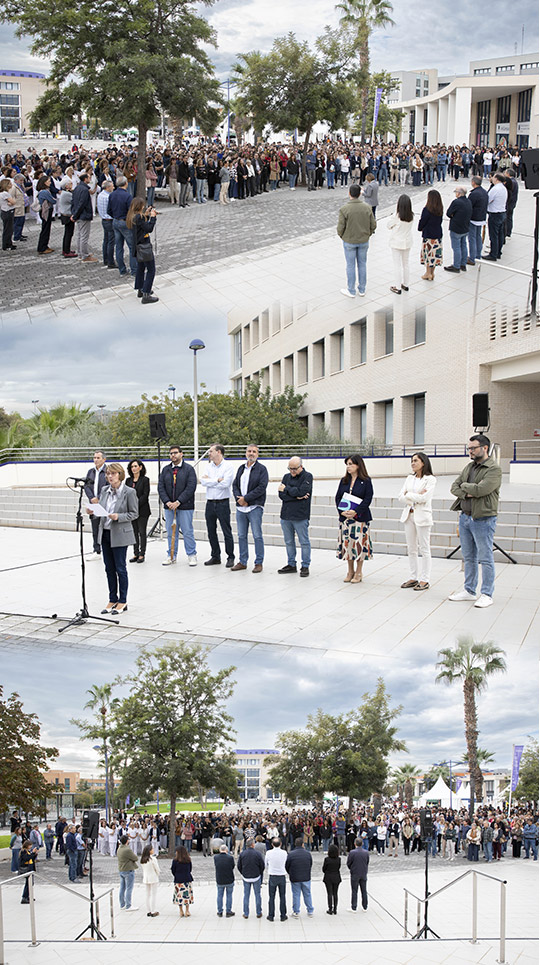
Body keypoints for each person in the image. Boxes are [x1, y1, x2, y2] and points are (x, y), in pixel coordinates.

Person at [449, 434, 502, 608]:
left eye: (473, 448)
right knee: (468, 557)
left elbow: (482, 490)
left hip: (483, 519)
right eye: (469, 448)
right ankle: (469, 590)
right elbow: (454, 487)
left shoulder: (493, 469)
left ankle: (487, 594)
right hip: (465, 517)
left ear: (484, 448)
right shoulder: (469, 467)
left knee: (485, 558)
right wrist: (468, 491)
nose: (470, 451)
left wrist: (465, 487)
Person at [86, 462, 139, 614]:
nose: (110, 476)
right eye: (108, 474)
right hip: (105, 533)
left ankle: (123, 600)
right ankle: (112, 598)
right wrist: (93, 512)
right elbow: (102, 510)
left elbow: (134, 513)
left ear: (120, 475)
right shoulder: (104, 490)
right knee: (109, 568)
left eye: (113, 474)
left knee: (120, 568)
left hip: (120, 533)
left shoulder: (129, 492)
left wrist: (119, 517)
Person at [398, 452, 437, 591]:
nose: (413, 463)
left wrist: (408, 495)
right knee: (412, 548)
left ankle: (425, 579)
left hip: (422, 517)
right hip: (409, 515)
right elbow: (400, 497)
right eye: (412, 461)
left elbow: (425, 498)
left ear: (423, 462)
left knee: (424, 548)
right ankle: (413, 577)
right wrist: (414, 496)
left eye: (416, 461)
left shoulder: (430, 479)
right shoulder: (409, 478)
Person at [335, 454, 373, 584]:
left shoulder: (366, 481)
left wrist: (356, 511)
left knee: (359, 545)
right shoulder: (344, 480)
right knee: (348, 545)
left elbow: (368, 498)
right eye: (347, 464)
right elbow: (338, 497)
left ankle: (359, 571)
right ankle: (350, 571)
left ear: (358, 465)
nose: (348, 466)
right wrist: (342, 511)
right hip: (346, 519)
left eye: (351, 464)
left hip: (359, 519)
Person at [231, 444, 269, 573]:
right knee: (241, 535)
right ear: (246, 453)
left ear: (257, 454)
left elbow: (261, 487)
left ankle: (258, 562)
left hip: (255, 507)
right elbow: (235, 485)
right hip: (241, 508)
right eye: (249, 451)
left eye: (254, 451)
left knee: (257, 535)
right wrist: (239, 499)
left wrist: (246, 499)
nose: (251, 453)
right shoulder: (241, 468)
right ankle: (242, 561)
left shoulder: (262, 469)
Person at [158, 445, 197, 566]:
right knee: (171, 532)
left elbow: (191, 487)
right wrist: (167, 502)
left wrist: (178, 501)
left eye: (175, 453)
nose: (173, 455)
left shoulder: (189, 469)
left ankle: (191, 555)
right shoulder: (166, 470)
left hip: (185, 506)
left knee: (187, 531)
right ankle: (171, 555)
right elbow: (161, 487)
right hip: (169, 507)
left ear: (181, 454)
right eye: (171, 453)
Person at [336, 183, 376, 298]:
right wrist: (368, 234)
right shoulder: (367, 207)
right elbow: (373, 225)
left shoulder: (344, 209)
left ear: (349, 193)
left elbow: (340, 227)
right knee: (362, 264)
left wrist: (343, 236)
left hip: (349, 240)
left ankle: (351, 290)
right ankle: (362, 289)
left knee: (350, 265)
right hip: (363, 239)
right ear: (360, 194)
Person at [200, 443, 235, 567]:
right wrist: (217, 480)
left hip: (222, 502)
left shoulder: (228, 466)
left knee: (226, 531)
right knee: (211, 531)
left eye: (211, 451)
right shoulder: (208, 466)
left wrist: (210, 481)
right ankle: (215, 556)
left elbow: (226, 484)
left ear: (218, 452)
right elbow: (203, 481)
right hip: (210, 502)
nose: (209, 454)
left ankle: (230, 556)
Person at [277, 456, 313, 578]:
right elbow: (281, 495)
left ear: (301, 467)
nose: (292, 471)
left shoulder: (307, 476)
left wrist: (287, 489)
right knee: (289, 541)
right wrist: (296, 497)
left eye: (294, 469)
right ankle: (291, 564)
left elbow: (302, 492)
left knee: (304, 541)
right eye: (290, 468)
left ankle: (305, 565)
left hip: (300, 515)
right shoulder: (286, 477)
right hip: (286, 515)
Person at [126, 196, 158, 304]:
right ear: (140, 206)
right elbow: (148, 228)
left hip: (138, 246)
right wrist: (153, 218)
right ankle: (146, 294)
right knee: (151, 270)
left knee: (141, 268)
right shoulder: (138, 217)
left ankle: (140, 289)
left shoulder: (132, 217)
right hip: (144, 246)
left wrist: (146, 215)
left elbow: (142, 226)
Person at [107, 175, 137, 276]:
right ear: (126, 183)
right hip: (125, 221)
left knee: (119, 246)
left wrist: (115, 216)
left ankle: (122, 270)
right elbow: (131, 211)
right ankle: (134, 270)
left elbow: (108, 210)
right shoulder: (127, 196)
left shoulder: (112, 195)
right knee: (132, 246)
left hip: (116, 220)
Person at [387, 193, 414, 294]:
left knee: (397, 265)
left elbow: (388, 225)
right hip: (407, 241)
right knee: (406, 264)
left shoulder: (397, 216)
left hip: (396, 242)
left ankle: (397, 286)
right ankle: (406, 284)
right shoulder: (411, 216)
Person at [126, 458, 151, 563]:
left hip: (142, 510)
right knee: (134, 532)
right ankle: (136, 553)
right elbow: (126, 494)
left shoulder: (145, 480)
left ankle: (142, 554)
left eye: (135, 466)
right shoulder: (128, 480)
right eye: (132, 466)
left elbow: (145, 495)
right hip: (132, 511)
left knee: (142, 532)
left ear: (140, 467)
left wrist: (135, 505)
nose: (134, 468)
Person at [84, 450, 108, 556]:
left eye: (98, 458)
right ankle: (96, 550)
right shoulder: (91, 472)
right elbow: (86, 486)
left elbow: (108, 486)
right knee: (95, 528)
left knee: (105, 528)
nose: (96, 460)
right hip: (93, 504)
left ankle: (107, 550)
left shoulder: (108, 471)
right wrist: (92, 498)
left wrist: (98, 498)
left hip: (104, 503)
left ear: (104, 459)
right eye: (94, 458)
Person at [444, 186, 472, 273]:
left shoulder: (456, 202)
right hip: (465, 227)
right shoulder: (468, 201)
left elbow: (449, 213)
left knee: (456, 247)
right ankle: (463, 264)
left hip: (456, 227)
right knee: (463, 245)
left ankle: (456, 265)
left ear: (459, 193)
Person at [71, 171, 97, 262]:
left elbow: (73, 202)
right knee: (84, 236)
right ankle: (84, 255)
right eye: (89, 177)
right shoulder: (84, 190)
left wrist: (74, 213)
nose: (90, 179)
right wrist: (75, 215)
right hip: (83, 215)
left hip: (79, 214)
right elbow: (82, 203)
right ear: (85, 179)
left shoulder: (77, 188)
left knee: (79, 235)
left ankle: (80, 253)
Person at [418, 189, 443, 281]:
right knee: (435, 254)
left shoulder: (427, 210)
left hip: (428, 234)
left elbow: (423, 221)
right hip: (437, 234)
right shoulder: (440, 209)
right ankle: (432, 272)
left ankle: (428, 273)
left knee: (428, 254)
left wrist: (420, 228)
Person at [285, 837, 314, 918]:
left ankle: (296, 911)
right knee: (307, 894)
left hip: (295, 877)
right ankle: (310, 910)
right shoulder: (307, 854)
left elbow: (287, 866)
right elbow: (310, 864)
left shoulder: (291, 854)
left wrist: (290, 873)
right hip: (306, 877)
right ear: (302, 844)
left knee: (296, 895)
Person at [482, 173, 507, 261]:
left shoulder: (495, 189)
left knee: (494, 235)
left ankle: (493, 254)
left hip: (495, 214)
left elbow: (488, 200)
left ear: (496, 179)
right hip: (502, 212)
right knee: (500, 234)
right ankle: (498, 252)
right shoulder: (503, 188)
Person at [237, 839, 265, 919]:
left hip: (246, 877)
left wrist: (243, 873)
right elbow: (262, 866)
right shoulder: (258, 854)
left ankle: (246, 913)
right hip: (256, 876)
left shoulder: (242, 854)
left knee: (246, 895)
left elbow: (239, 866)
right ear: (253, 845)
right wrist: (259, 873)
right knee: (257, 895)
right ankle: (258, 912)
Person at [265, 837, 288, 922]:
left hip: (272, 875)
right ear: (280, 844)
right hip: (281, 875)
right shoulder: (284, 853)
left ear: (272, 844)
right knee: (282, 896)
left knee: (271, 897)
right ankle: (283, 915)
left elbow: (265, 864)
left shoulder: (268, 853)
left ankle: (271, 915)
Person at [467, 175, 488, 265]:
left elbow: (469, 205)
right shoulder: (484, 192)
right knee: (478, 236)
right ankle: (477, 255)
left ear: (473, 182)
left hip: (473, 218)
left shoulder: (474, 194)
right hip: (481, 217)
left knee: (472, 238)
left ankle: (472, 258)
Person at [96, 179, 116, 268]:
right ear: (108, 187)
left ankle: (106, 259)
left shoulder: (100, 195)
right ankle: (110, 261)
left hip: (104, 219)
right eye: (112, 186)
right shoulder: (108, 197)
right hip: (109, 220)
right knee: (111, 241)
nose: (113, 188)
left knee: (106, 240)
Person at [346, 837, 369, 912]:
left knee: (354, 890)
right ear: (362, 844)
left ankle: (354, 907)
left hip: (355, 873)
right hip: (363, 873)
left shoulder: (352, 852)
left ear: (355, 844)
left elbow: (349, 863)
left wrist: (352, 869)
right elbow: (367, 862)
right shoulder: (366, 852)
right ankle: (365, 906)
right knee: (364, 890)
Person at [117, 833, 139, 910]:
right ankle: (128, 905)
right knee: (129, 888)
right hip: (128, 870)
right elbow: (135, 858)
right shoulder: (127, 849)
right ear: (127, 841)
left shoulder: (119, 848)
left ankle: (122, 904)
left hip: (121, 870)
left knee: (122, 888)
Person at [214, 843, 236, 918]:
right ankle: (228, 911)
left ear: (220, 850)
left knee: (219, 895)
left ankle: (220, 911)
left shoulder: (216, 857)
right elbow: (233, 866)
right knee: (229, 895)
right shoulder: (230, 858)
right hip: (229, 878)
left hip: (220, 878)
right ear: (226, 850)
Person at [141, 844, 160, 917]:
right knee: (153, 894)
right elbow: (157, 869)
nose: (153, 850)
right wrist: (158, 874)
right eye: (152, 849)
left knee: (147, 894)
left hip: (146, 878)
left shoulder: (143, 860)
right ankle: (153, 910)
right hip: (153, 877)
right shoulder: (153, 859)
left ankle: (148, 910)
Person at [322, 843, 341, 915]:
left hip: (328, 877)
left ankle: (330, 908)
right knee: (335, 893)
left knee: (329, 893)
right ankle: (335, 909)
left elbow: (324, 869)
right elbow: (338, 867)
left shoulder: (327, 859)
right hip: (336, 876)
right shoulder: (338, 859)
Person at [19, 839, 38, 905]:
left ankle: (28, 896)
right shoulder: (23, 851)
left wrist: (35, 854)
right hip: (26, 868)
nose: (31, 846)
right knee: (28, 883)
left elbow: (31, 858)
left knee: (31, 883)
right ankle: (24, 897)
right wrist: (33, 853)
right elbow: (26, 858)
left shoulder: (28, 851)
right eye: (30, 845)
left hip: (30, 868)